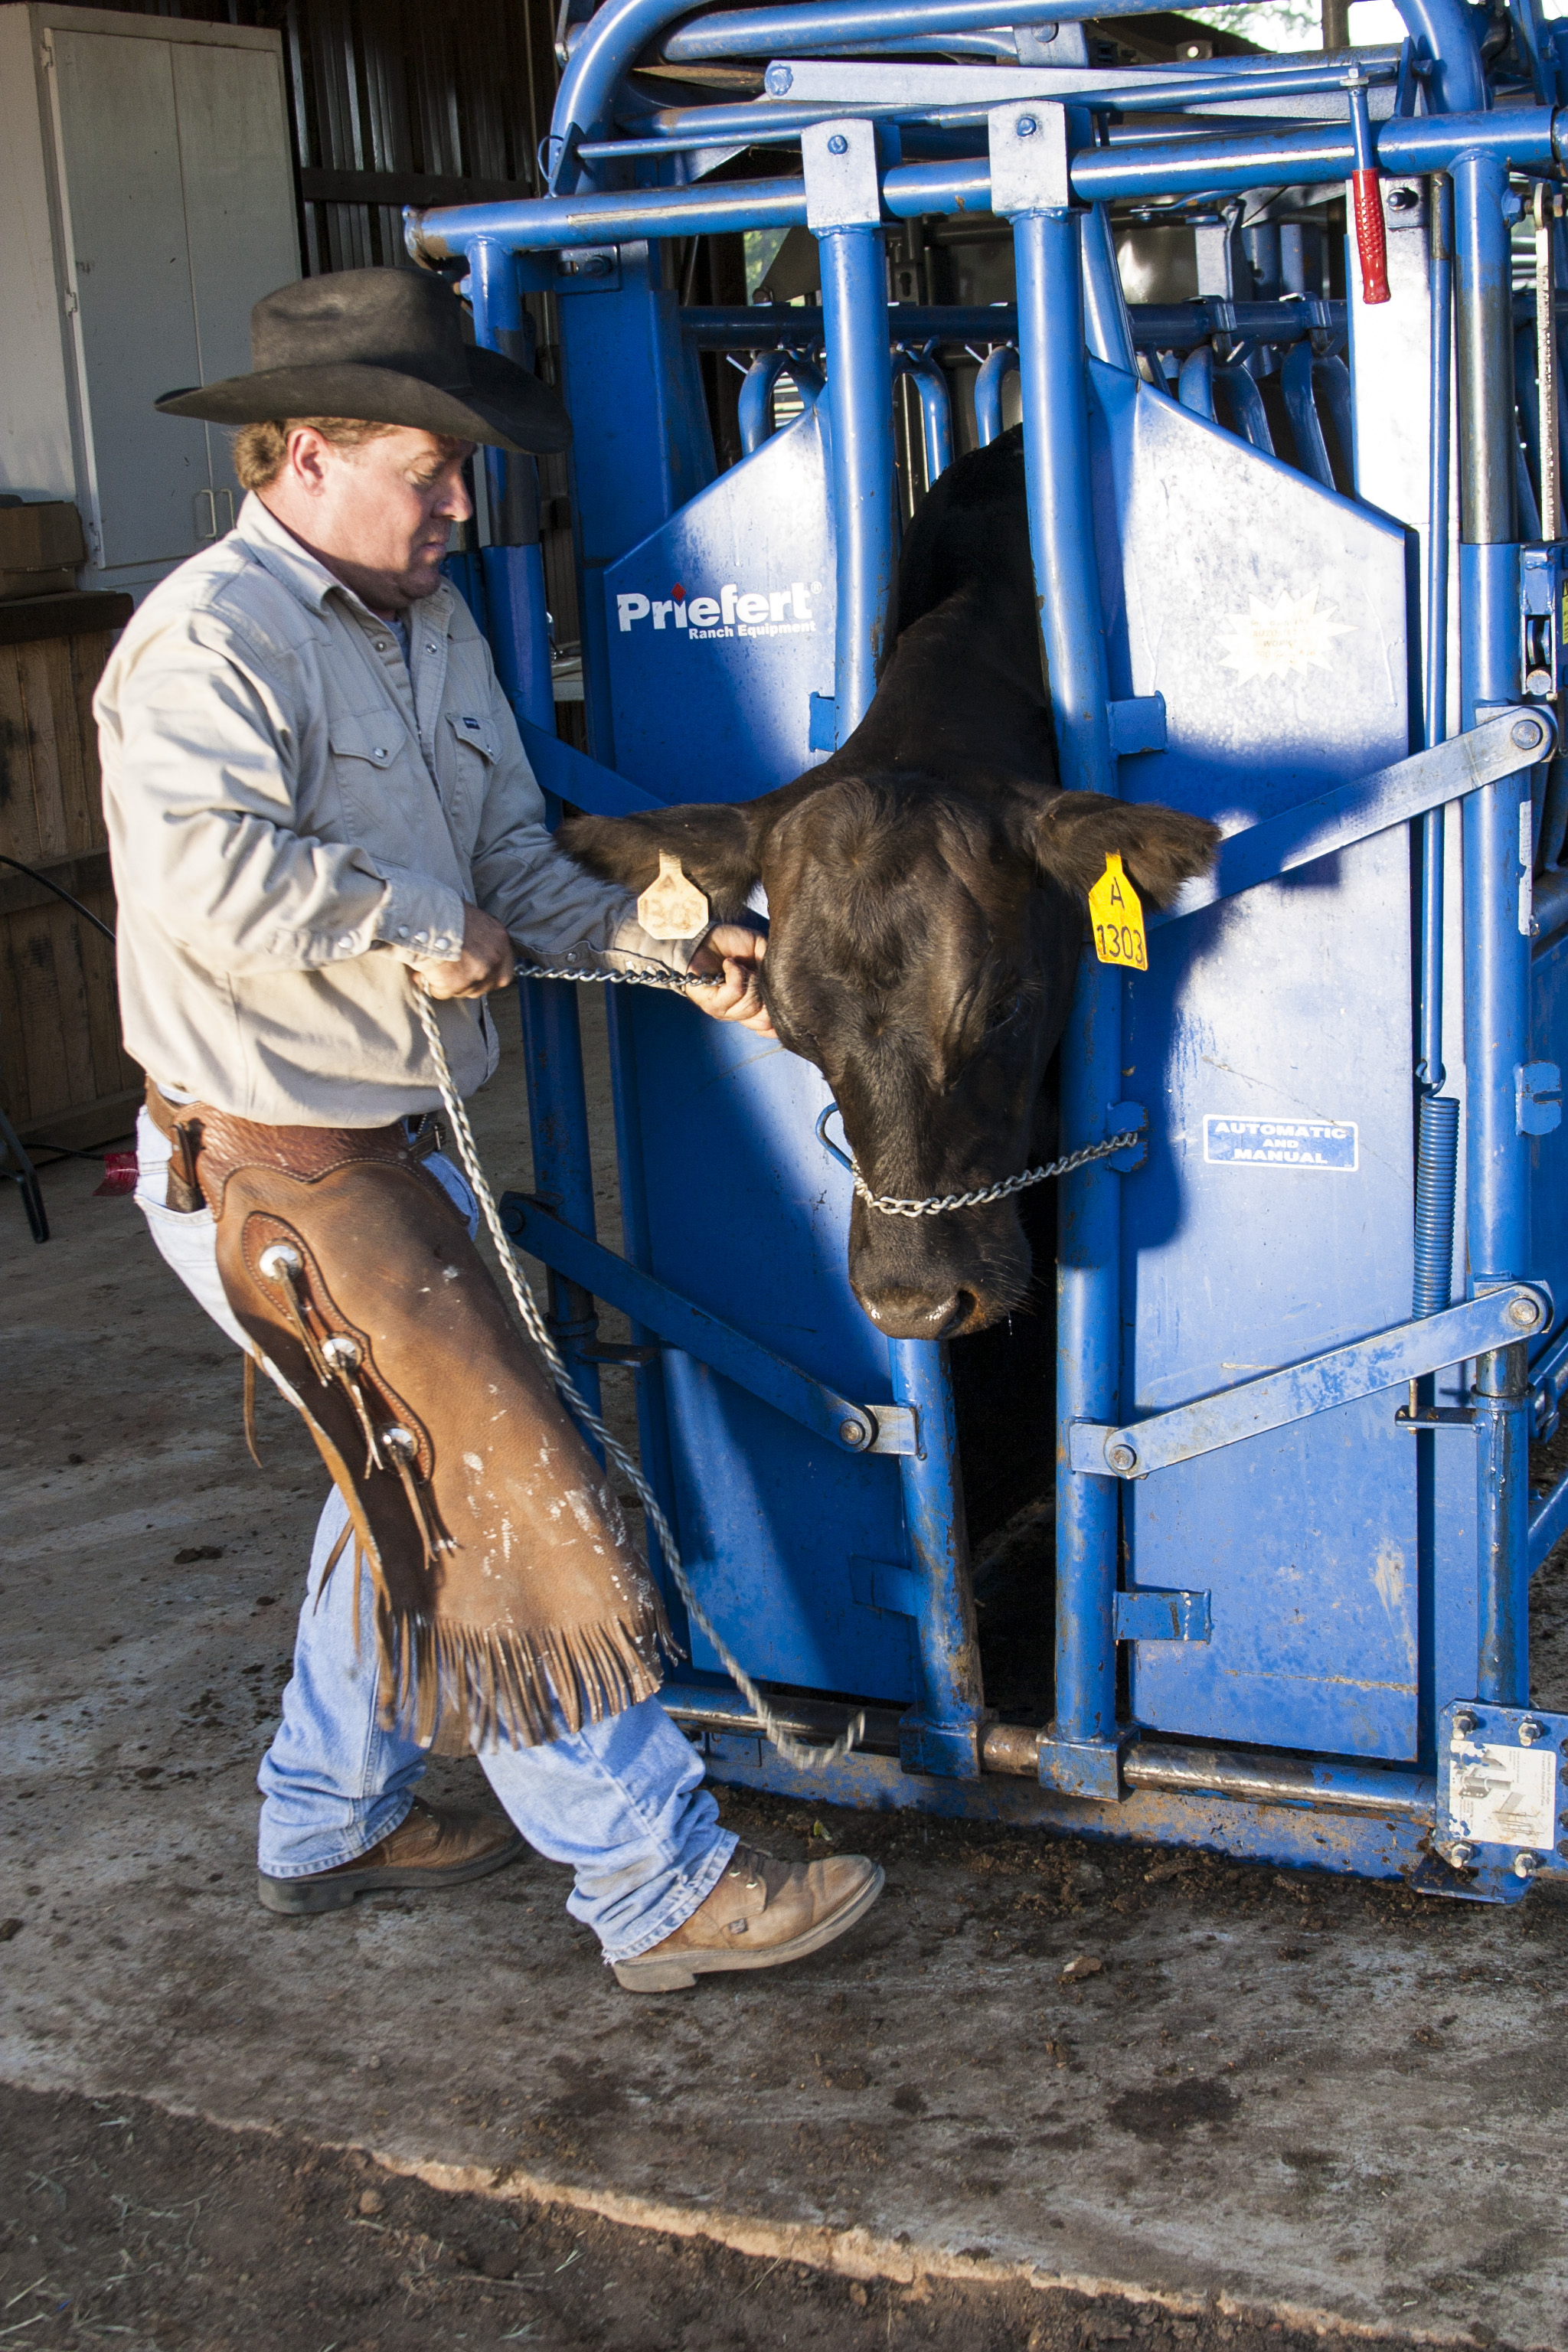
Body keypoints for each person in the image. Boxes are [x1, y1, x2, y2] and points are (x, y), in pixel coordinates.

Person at [96, 266, 882, 1994]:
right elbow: (207, 880)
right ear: (306, 455)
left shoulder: (429, 623)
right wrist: (408, 916)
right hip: (271, 1165)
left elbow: (515, 868)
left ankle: (326, 1816)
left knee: (393, 1480)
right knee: (503, 1494)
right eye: (428, 468)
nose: (461, 501)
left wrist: (673, 949)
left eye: (463, 466)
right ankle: (655, 1883)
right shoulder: (207, 639)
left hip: (391, 1143)